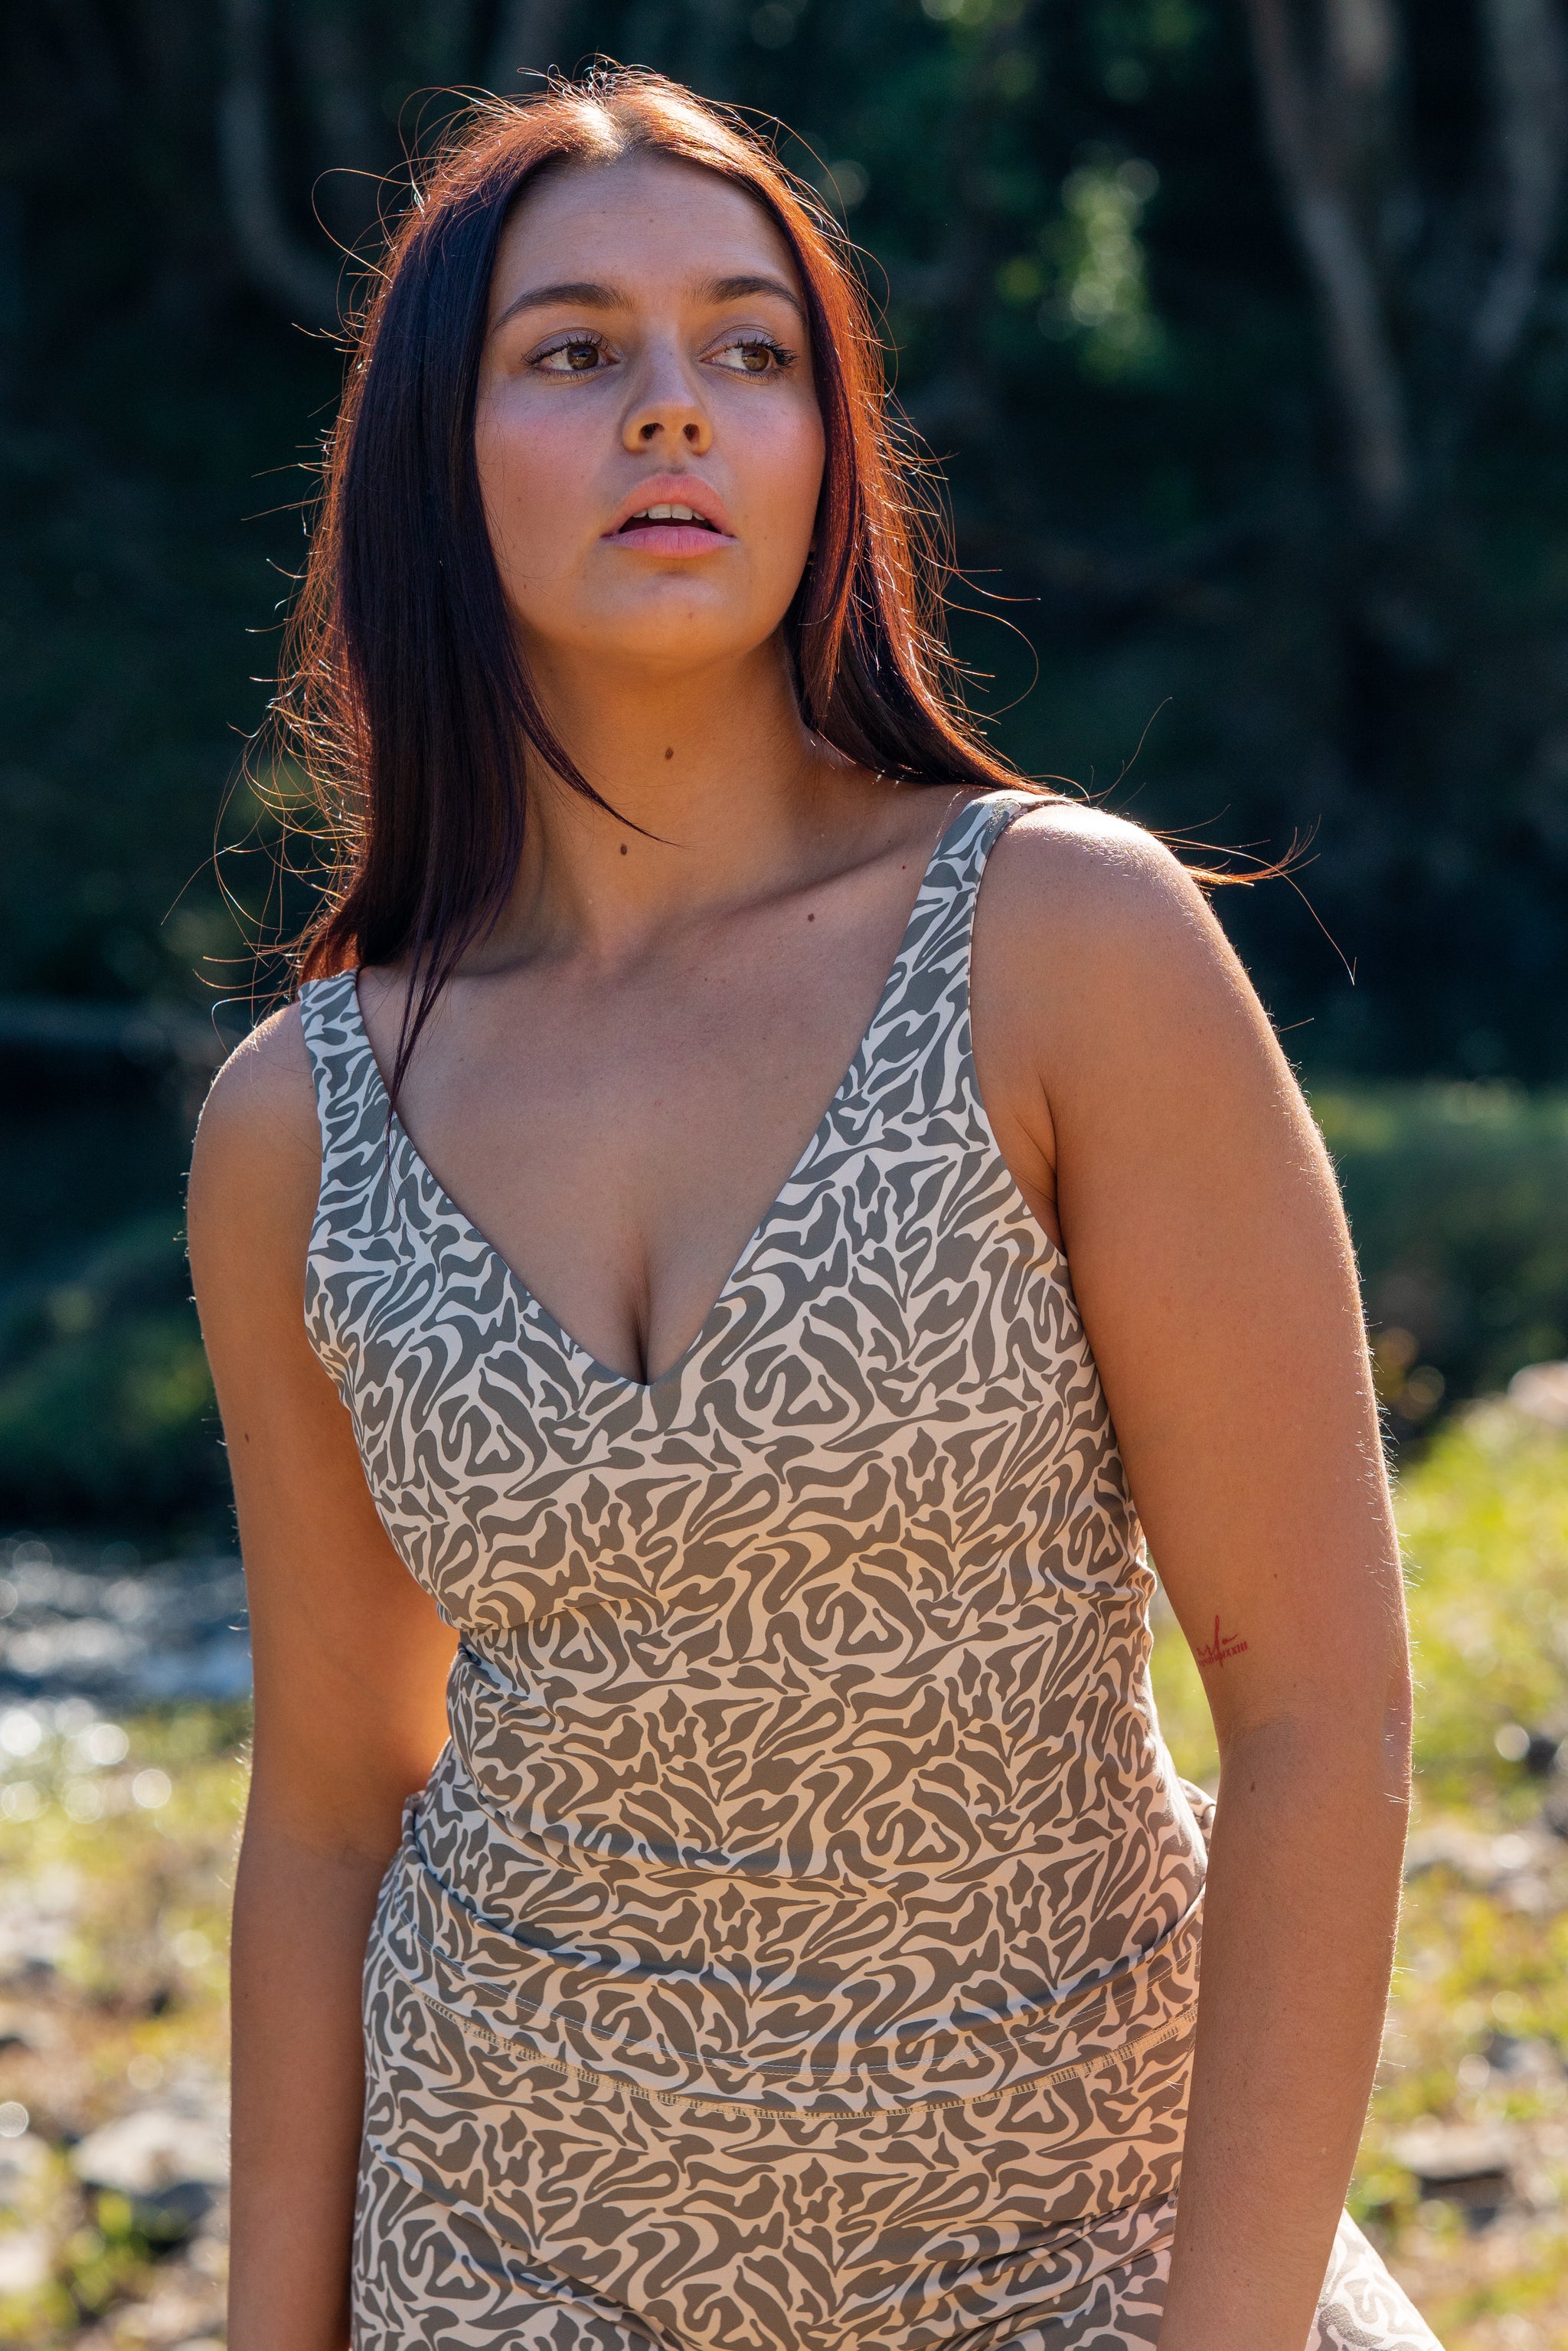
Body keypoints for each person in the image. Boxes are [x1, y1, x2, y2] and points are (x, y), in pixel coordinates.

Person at [188, 68, 1442, 2351]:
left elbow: (1320, 1721)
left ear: (825, 451)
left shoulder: (1062, 944)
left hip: (1076, 2265)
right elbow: (334, 1810)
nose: (674, 407)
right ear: (432, 463)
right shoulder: (301, 1121)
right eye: (576, 350)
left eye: (749, 350)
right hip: (504, 2266)